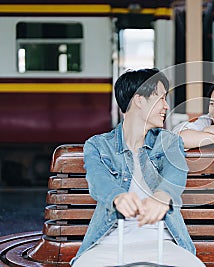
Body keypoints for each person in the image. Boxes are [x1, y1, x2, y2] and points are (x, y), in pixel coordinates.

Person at [72, 68, 205, 267]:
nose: (166, 106)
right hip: (109, 242)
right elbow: (98, 178)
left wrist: (163, 195)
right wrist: (117, 196)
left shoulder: (168, 142)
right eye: (161, 98)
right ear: (139, 100)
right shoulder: (98, 145)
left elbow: (176, 172)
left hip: (163, 241)